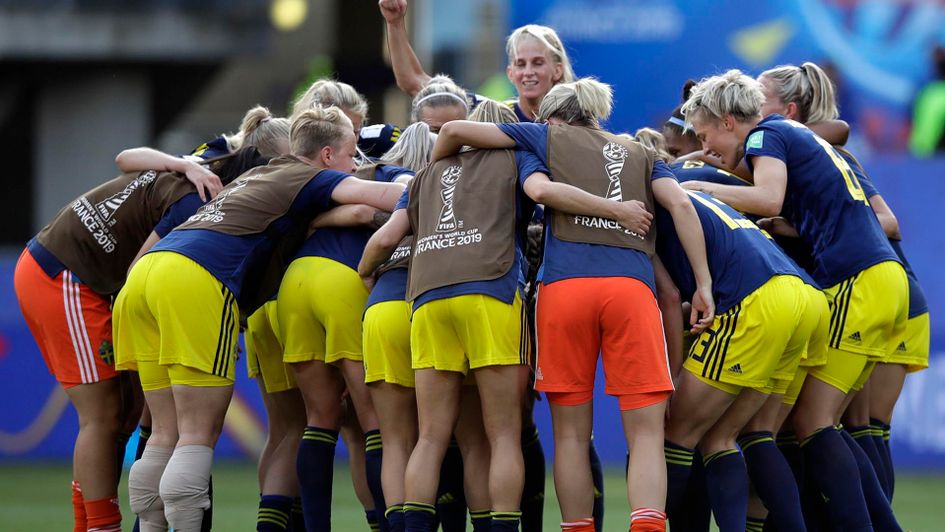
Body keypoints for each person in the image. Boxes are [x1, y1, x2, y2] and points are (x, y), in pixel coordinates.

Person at [432, 79, 714, 532]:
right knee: (645, 435)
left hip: (564, 292)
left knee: (570, 436)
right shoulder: (638, 152)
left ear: (553, 116)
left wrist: (435, 182)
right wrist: (702, 284)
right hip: (630, 291)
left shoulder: (543, 136)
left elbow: (454, 135)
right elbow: (681, 204)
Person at [112, 105, 405, 532]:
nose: (355, 165)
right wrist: (423, 180)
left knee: (163, 437)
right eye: (349, 156)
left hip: (147, 274)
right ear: (326, 156)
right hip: (194, 280)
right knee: (196, 436)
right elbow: (391, 199)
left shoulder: (257, 175)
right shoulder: (315, 177)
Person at [680, 69, 907, 531]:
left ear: (728, 121)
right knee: (822, 425)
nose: (707, 150)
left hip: (856, 280)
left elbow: (766, 197)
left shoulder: (766, 134)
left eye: (707, 136)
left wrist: (697, 187)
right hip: (883, 279)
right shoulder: (789, 133)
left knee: (813, 423)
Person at [12, 138, 258, 532]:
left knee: (124, 412)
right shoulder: (196, 198)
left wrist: (183, 164)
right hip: (64, 276)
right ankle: (100, 527)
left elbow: (125, 157)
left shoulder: (193, 169)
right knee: (103, 415)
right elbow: (139, 270)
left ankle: (92, 524)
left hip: (76, 274)